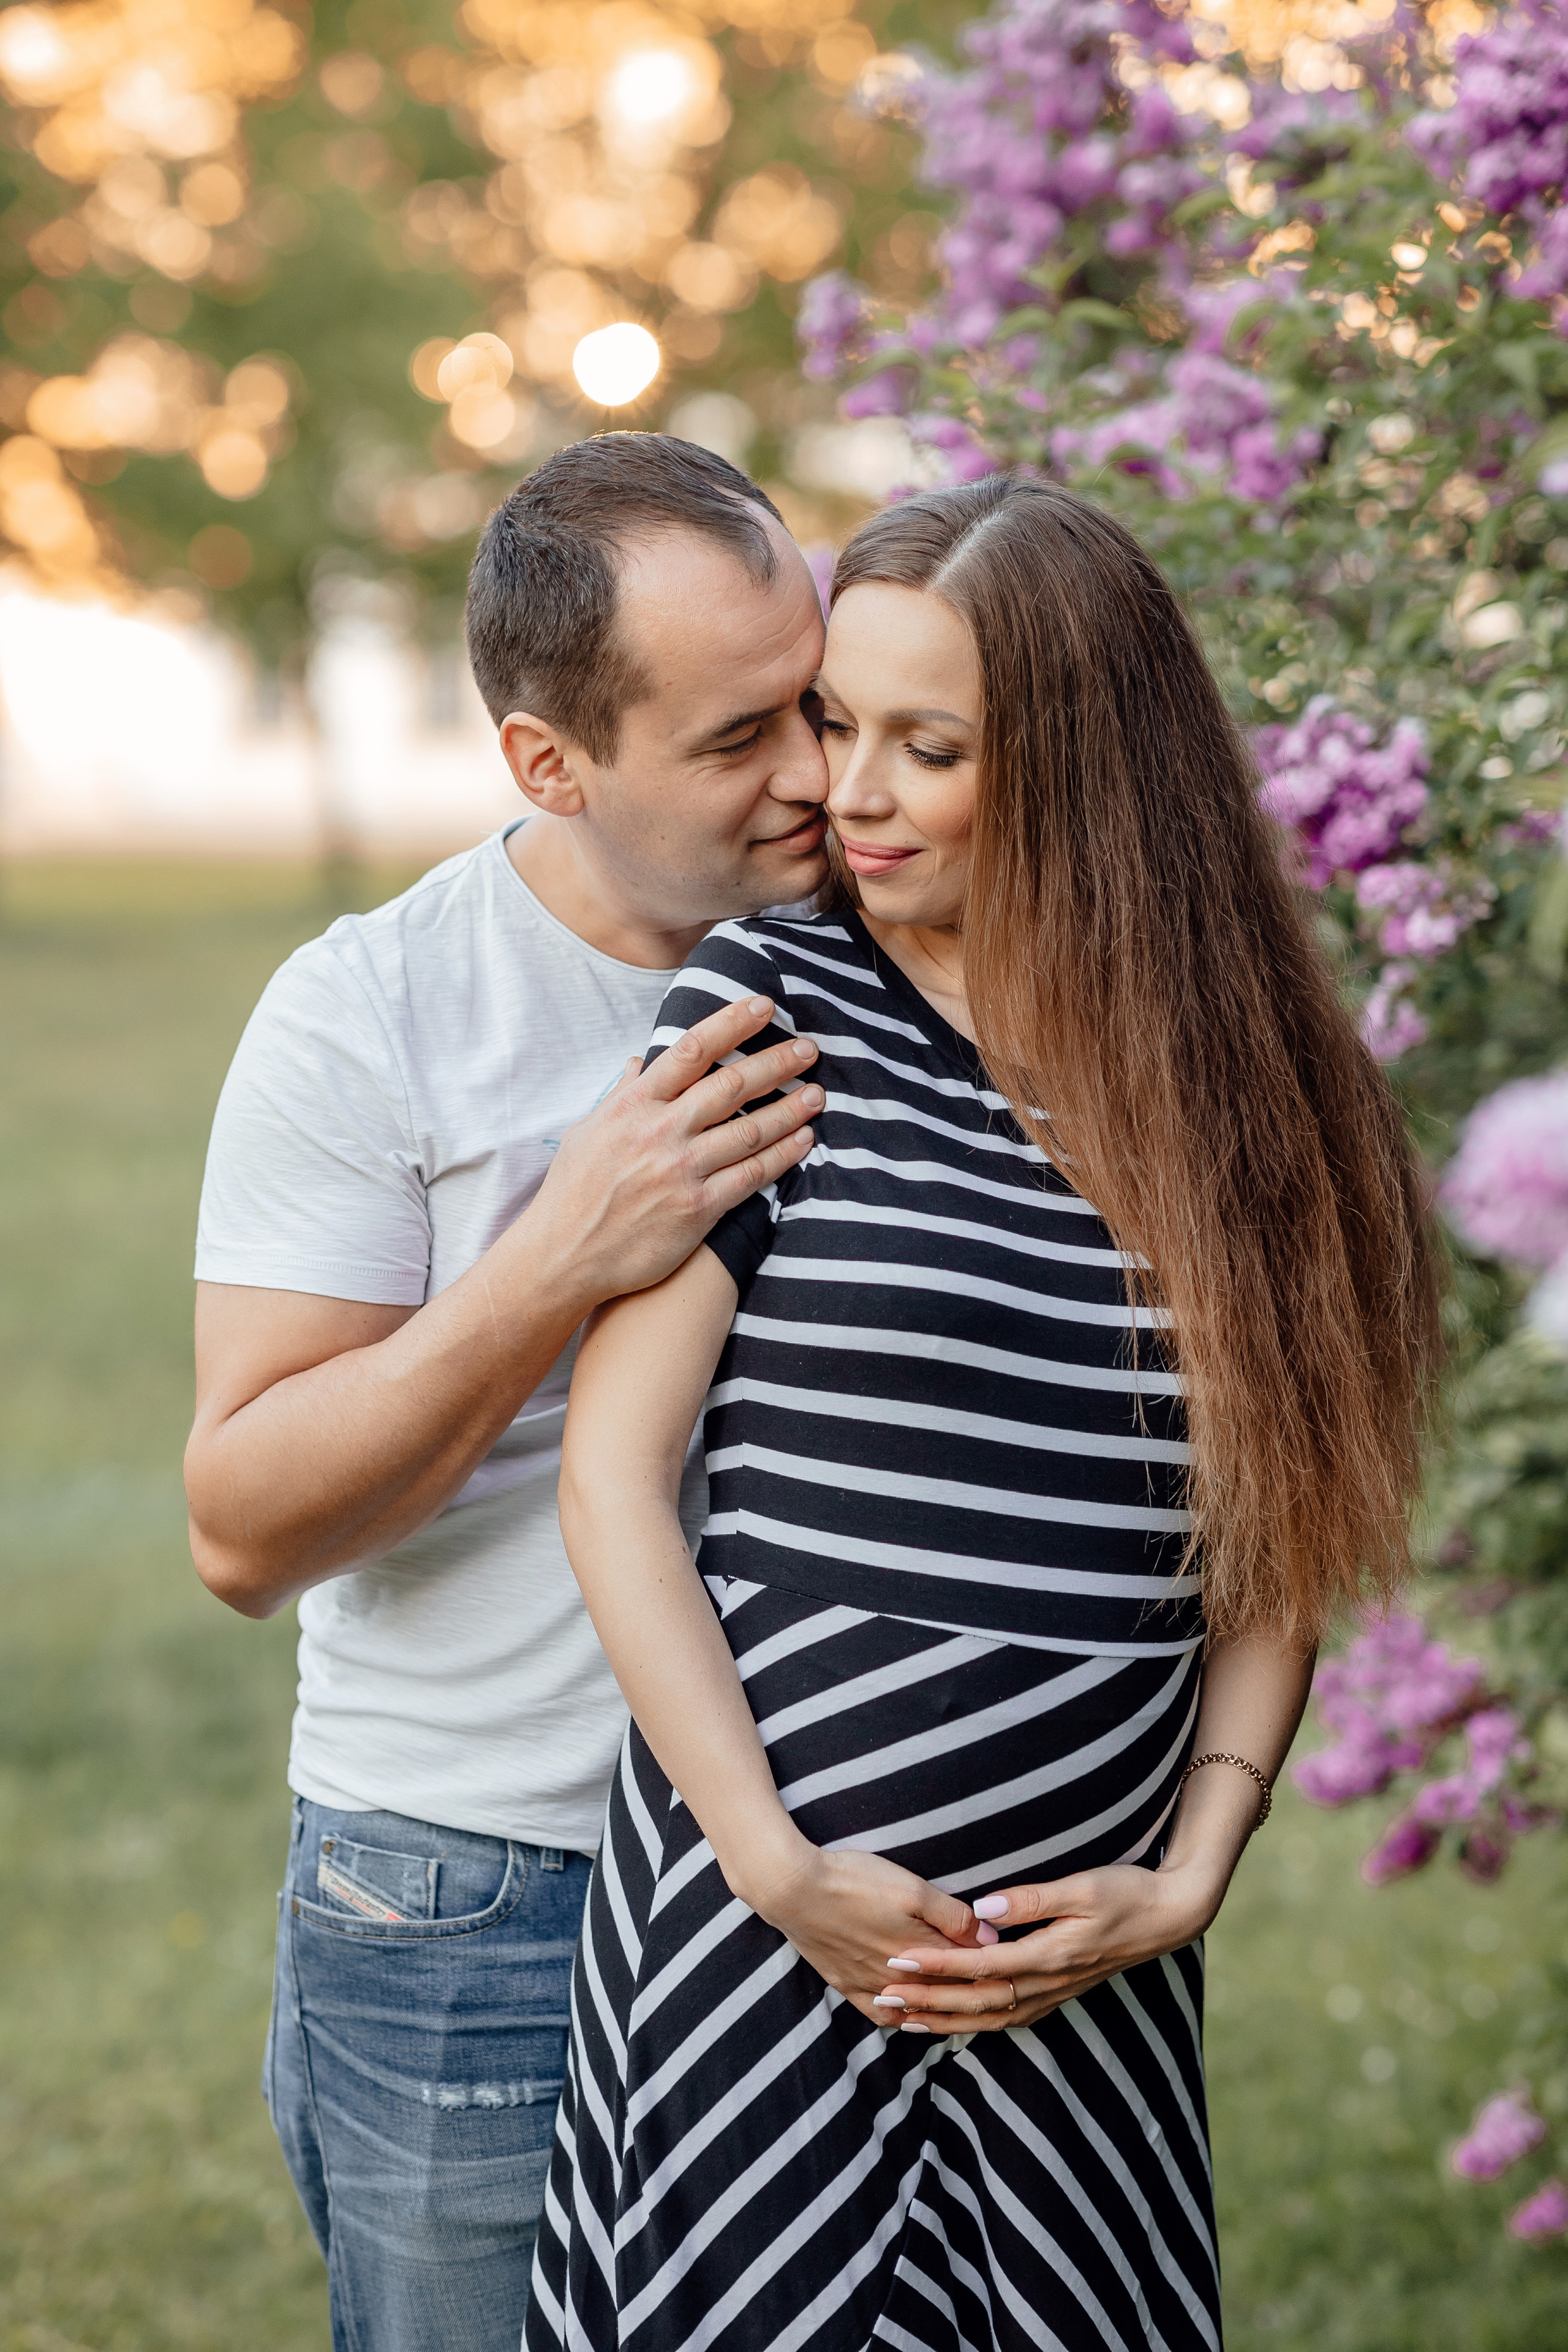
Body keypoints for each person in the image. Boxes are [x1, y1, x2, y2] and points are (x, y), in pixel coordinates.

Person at [529, 476, 1441, 2351]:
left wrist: (1189, 1876)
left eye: (922, 748)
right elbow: (615, 1484)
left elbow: (1271, 1552)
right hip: (764, 1967)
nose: (844, 794)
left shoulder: (1255, 1089)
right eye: (832, 725)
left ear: (1088, 766)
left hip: (1081, 2012)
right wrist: (778, 1873)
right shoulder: (773, 1011)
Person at [183, 434, 835, 2352]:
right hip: (486, 1904)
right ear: (550, 763)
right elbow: (240, 1526)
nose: (811, 773)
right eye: (738, 740)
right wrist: (565, 1251)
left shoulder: (879, 941)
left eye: (815, 701)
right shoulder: (371, 1011)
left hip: (830, 1869)